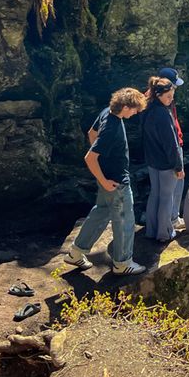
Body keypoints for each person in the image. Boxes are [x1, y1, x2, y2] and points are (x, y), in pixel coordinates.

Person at [65, 87, 147, 275]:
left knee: (100, 213)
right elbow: (90, 158)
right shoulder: (113, 128)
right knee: (125, 220)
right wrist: (103, 178)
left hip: (107, 180)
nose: (136, 113)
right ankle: (123, 263)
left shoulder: (106, 112)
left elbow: (91, 134)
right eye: (135, 109)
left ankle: (75, 253)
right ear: (125, 107)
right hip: (116, 182)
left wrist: (103, 167)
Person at [142, 76, 184, 242]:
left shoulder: (147, 108)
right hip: (167, 164)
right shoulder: (163, 114)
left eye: (172, 96)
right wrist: (178, 167)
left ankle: (151, 231)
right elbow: (171, 144)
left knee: (155, 194)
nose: (171, 100)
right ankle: (164, 233)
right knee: (167, 197)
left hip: (153, 161)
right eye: (168, 97)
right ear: (158, 95)